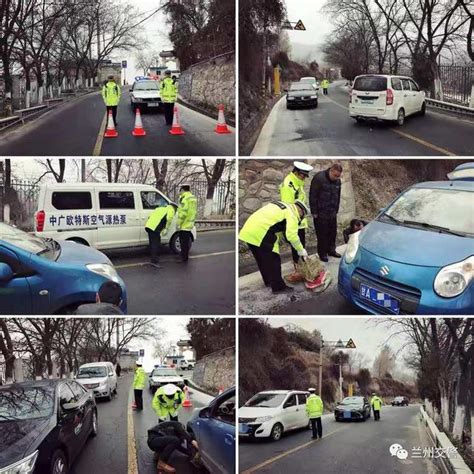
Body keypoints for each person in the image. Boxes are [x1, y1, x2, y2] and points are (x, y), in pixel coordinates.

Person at [239, 200, 310, 294]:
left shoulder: (282, 205)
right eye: (302, 216)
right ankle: (278, 287)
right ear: (300, 212)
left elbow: (285, 231)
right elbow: (292, 235)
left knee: (262, 258)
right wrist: (301, 250)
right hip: (262, 232)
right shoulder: (292, 214)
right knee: (273, 259)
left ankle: (269, 281)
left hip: (248, 231)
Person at [280, 161, 313, 282]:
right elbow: (289, 208)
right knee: (296, 247)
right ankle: (298, 271)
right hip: (294, 222)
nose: (304, 178)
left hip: (299, 221)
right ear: (296, 172)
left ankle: (302, 269)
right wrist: (295, 223)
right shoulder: (289, 184)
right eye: (303, 175)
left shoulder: (297, 182)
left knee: (301, 246)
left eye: (305, 176)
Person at [309, 164, 343, 262]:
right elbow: (313, 195)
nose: (337, 178)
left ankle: (331, 251)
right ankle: (322, 253)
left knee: (332, 233)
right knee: (322, 235)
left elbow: (338, 196)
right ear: (331, 171)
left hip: (332, 212)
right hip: (320, 213)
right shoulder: (319, 178)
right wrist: (314, 212)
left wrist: (336, 209)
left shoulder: (338, 181)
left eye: (338, 176)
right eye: (335, 176)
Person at [145, 202, 178, 267]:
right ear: (174, 208)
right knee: (156, 244)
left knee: (152, 243)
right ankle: (154, 261)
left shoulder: (160, 208)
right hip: (155, 228)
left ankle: (153, 259)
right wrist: (166, 228)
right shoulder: (171, 210)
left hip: (148, 226)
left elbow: (150, 216)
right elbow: (169, 219)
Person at [177, 184, 197, 262]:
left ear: (182, 190)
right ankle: (185, 257)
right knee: (186, 242)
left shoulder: (184, 198)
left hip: (184, 223)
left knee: (183, 242)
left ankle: (183, 258)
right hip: (190, 222)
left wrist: (179, 223)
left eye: (180, 190)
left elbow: (183, 212)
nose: (180, 192)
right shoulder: (193, 198)